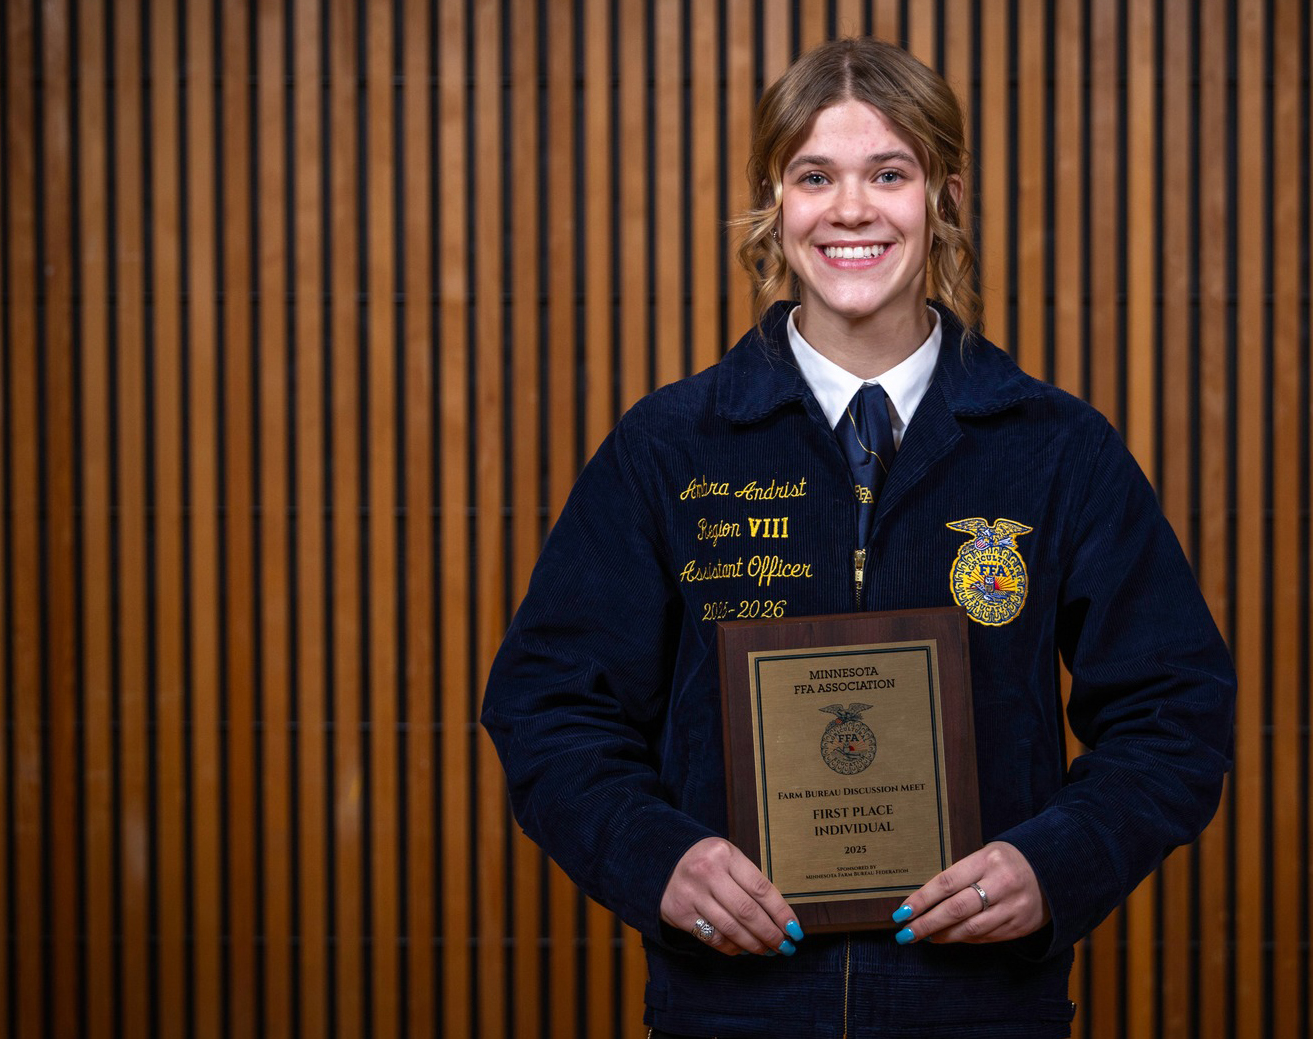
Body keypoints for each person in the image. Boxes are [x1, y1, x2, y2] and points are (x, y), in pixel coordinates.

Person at [481, 36, 1234, 1038]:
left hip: (980, 1013)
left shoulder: (1056, 451)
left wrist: (1058, 860)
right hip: (732, 1012)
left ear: (944, 195)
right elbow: (546, 702)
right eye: (813, 176)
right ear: (774, 198)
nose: (850, 210)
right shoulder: (669, 447)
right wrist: (656, 855)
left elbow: (1174, 711)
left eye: (890, 173)